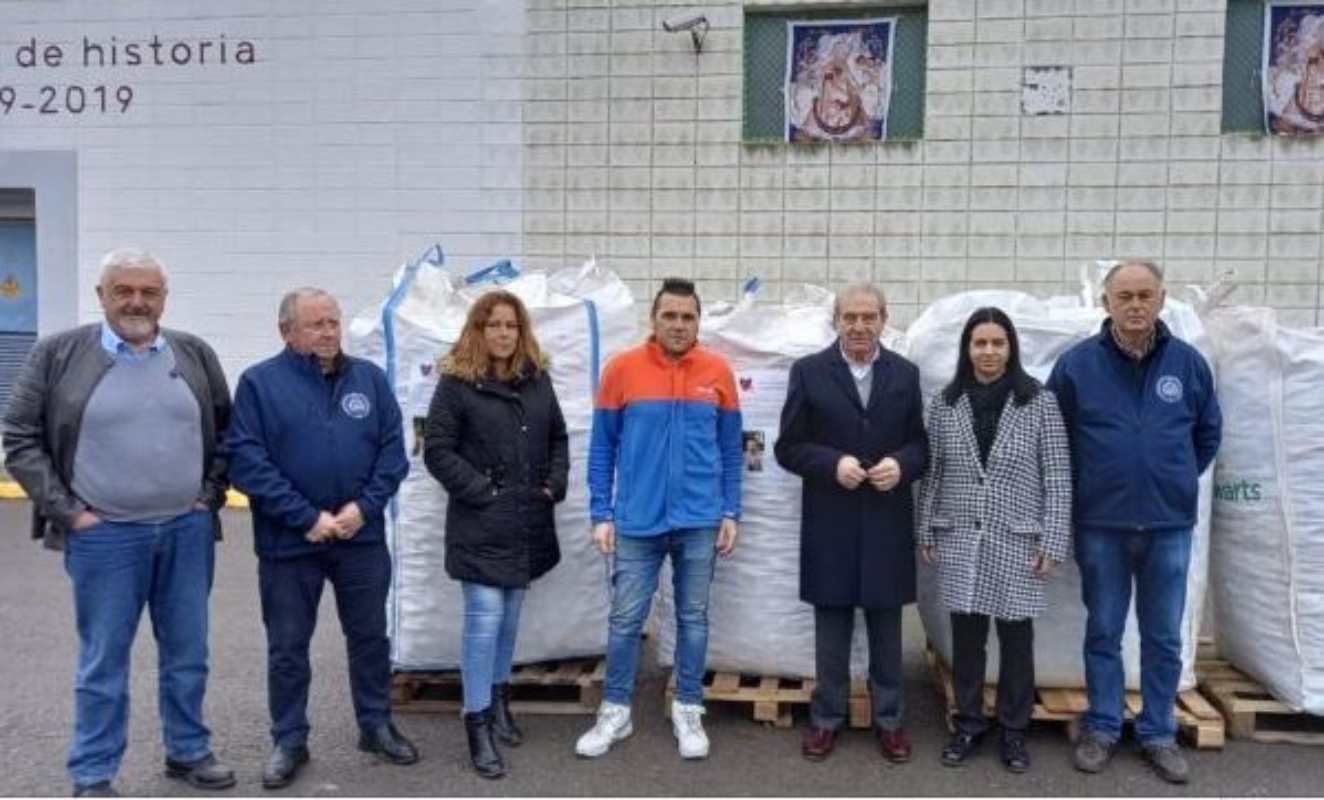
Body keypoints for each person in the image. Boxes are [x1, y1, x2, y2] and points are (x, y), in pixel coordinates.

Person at [2, 248, 235, 797]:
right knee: (103, 662)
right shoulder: (59, 354)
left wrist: (208, 497)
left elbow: (227, 434)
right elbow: (19, 437)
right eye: (124, 290)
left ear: (163, 298)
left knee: (188, 654)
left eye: (148, 292)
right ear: (101, 295)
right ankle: (93, 773)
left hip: (186, 529)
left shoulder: (193, 353)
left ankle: (188, 751)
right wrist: (70, 513)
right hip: (104, 537)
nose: (137, 301)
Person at [227, 287, 417, 789]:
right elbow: (247, 461)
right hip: (290, 544)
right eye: (316, 324)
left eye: (333, 322)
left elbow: (393, 454)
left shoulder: (369, 381)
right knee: (288, 646)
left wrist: (363, 508)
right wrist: (306, 517)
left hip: (361, 538)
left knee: (370, 638)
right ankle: (289, 738)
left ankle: (375, 725)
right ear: (286, 331)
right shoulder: (259, 385)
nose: (330, 331)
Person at [1047, 260, 1221, 784]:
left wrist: (1173, 478)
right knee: (1103, 628)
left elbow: (1207, 433)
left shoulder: (1188, 365)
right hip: (1101, 522)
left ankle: (1158, 732)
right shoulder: (1077, 365)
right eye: (1124, 296)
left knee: (1163, 634)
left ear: (1161, 299)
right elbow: (1056, 439)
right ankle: (1101, 726)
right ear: (1106, 303)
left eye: (1145, 295)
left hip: (1169, 525)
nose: (1135, 305)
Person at [575, 278, 742, 761]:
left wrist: (731, 509)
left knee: (693, 617)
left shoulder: (718, 372)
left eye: (688, 316)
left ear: (698, 322)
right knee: (626, 618)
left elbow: (731, 448)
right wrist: (600, 512)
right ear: (654, 319)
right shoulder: (622, 370)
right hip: (636, 520)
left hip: (699, 518)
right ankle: (615, 710)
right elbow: (602, 446)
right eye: (669, 315)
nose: (678, 324)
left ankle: (688, 706)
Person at [774, 283, 928, 765]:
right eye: (849, 317)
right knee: (832, 625)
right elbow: (788, 446)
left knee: (886, 627)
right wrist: (829, 463)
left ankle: (890, 721)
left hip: (886, 519)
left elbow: (921, 446)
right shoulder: (810, 372)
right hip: (832, 520)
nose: (859, 326)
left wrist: (901, 466)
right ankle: (826, 720)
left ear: (885, 319)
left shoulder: (905, 374)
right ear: (835, 321)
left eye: (868, 317)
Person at [915, 307, 1072, 773]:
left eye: (997, 344)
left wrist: (1053, 539)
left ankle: (1014, 730)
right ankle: (967, 724)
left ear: (1011, 349)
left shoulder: (1038, 401)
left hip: (1018, 538)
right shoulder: (946, 404)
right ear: (967, 349)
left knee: (1016, 639)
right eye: (979, 343)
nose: (988, 352)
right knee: (967, 640)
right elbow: (934, 471)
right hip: (962, 535)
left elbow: (1058, 475)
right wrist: (925, 527)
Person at [423, 290, 569, 779]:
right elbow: (437, 450)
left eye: (511, 325)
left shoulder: (537, 380)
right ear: (478, 331)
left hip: (526, 519)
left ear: (521, 330)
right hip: (480, 520)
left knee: (508, 618)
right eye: (494, 325)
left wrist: (554, 483)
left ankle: (500, 699)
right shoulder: (457, 383)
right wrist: (482, 490)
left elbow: (559, 439)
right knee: (483, 619)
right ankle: (477, 720)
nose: (503, 333)